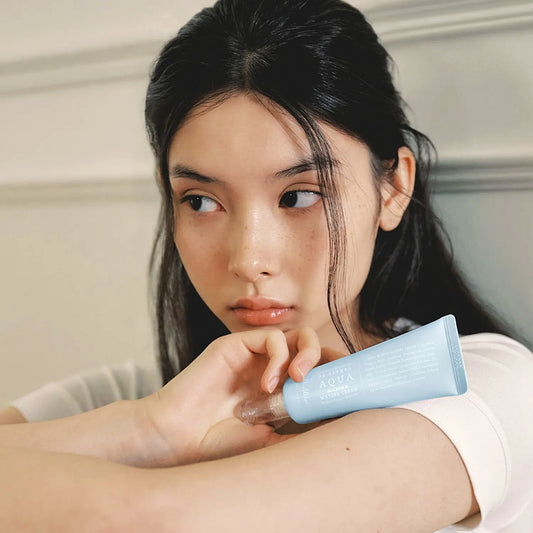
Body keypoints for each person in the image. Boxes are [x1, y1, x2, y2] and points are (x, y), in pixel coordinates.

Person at [1, 0, 532, 531]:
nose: (248, 260)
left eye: (299, 196)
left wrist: (147, 437)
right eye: (200, 201)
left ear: (393, 188)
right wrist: (149, 427)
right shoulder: (133, 397)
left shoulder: (487, 389)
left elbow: (166, 522)